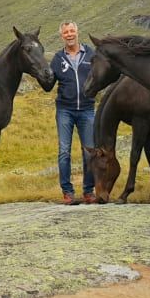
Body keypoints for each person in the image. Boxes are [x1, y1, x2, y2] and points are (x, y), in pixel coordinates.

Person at [46, 21, 97, 204]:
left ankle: (89, 192)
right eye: (66, 32)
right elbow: (48, 83)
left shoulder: (91, 54)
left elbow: (101, 75)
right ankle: (67, 192)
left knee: (89, 152)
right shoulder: (58, 58)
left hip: (87, 109)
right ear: (62, 36)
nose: (69, 34)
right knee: (64, 152)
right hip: (65, 110)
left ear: (77, 32)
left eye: (72, 31)